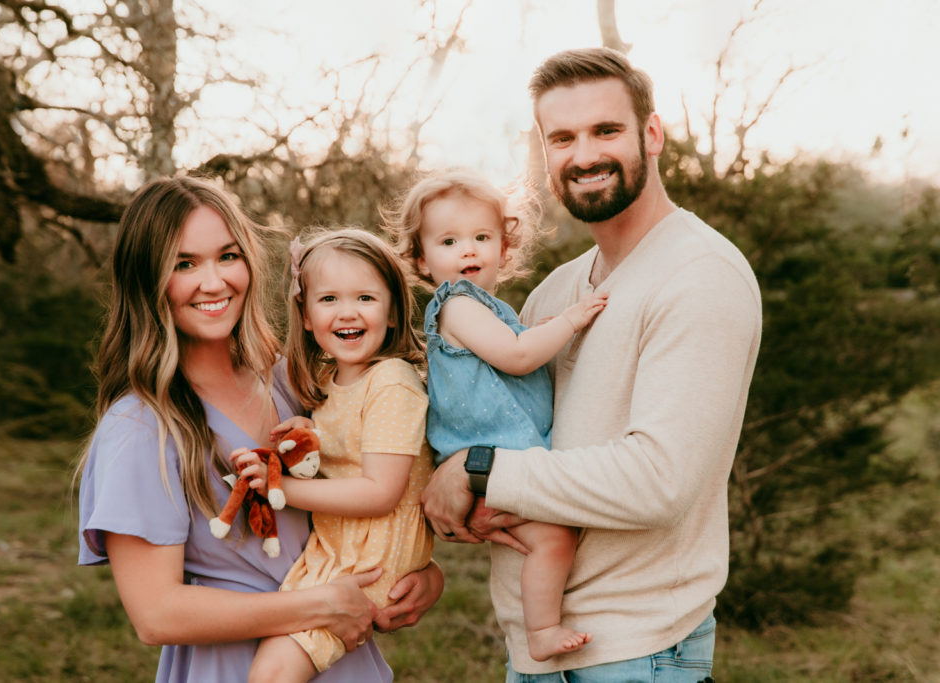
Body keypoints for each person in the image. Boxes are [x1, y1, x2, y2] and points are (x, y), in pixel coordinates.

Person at [421, 47, 762, 682]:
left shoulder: (700, 277)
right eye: (563, 138)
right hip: (532, 651)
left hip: (638, 654)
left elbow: (658, 480)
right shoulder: (554, 293)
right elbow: (507, 431)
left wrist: (476, 471)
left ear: (651, 135)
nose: (583, 156)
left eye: (606, 130)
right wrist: (455, 478)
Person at [76, 176, 443, 683]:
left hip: (342, 661)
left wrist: (423, 576)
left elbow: (368, 497)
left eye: (228, 256)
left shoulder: (291, 382)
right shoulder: (140, 427)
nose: (214, 281)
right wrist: (320, 606)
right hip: (236, 668)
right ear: (148, 280)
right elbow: (156, 614)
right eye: (184, 264)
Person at [386, 169, 606, 661]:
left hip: (500, 456)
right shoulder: (458, 305)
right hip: (489, 457)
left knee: (551, 533)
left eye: (481, 237)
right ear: (421, 259)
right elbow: (519, 357)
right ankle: (542, 630)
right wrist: (569, 321)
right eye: (449, 241)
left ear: (504, 248)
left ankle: (540, 625)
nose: (469, 250)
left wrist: (536, 331)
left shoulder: (490, 309)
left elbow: (516, 356)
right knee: (554, 536)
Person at [242, 228, 435, 683]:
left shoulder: (391, 381)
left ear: (392, 313)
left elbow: (380, 492)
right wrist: (310, 434)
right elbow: (348, 447)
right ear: (305, 316)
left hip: (369, 561)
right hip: (337, 549)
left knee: (270, 674)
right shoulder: (329, 382)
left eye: (365, 298)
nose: (347, 312)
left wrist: (282, 489)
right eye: (328, 299)